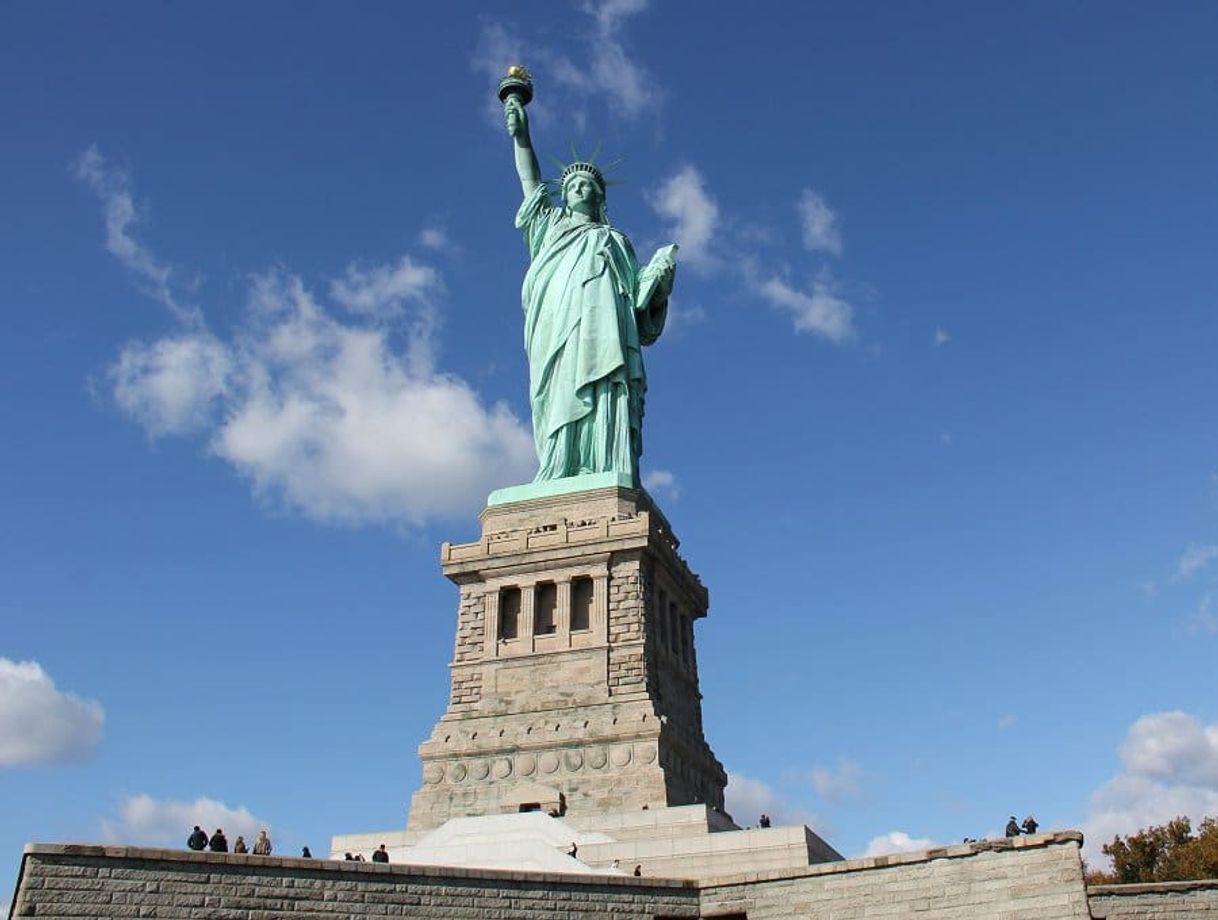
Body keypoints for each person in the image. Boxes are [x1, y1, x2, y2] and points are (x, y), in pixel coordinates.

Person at [504, 91, 676, 486]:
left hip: (606, 331)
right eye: (574, 186)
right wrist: (521, 137)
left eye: (588, 186)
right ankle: (559, 465)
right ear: (564, 196)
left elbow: (639, 306)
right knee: (559, 386)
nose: (580, 189)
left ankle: (602, 463)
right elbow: (530, 182)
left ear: (599, 197)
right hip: (557, 324)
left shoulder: (615, 240)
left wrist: (659, 286)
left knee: (606, 384)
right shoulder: (549, 228)